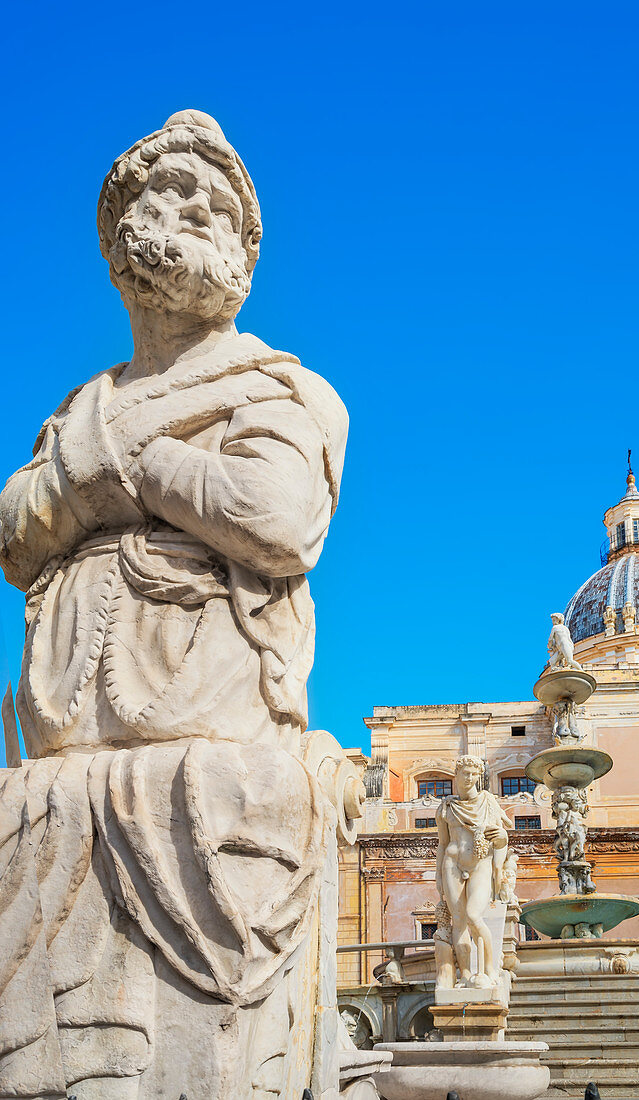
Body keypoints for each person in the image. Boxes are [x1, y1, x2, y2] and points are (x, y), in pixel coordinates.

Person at [0, 110, 348, 1099]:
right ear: (119, 246)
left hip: (211, 765)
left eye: (214, 207)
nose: (188, 212)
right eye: (166, 199)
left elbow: (277, 516)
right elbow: (11, 533)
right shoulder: (76, 407)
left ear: (244, 252)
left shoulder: (282, 388)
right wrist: (105, 473)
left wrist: (120, 468)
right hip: (68, 768)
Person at [436, 755, 512, 988]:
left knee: (473, 915)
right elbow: (442, 842)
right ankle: (466, 975)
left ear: (479, 777)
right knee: (458, 921)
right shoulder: (446, 807)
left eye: (473, 774)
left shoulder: (488, 802)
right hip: (452, 863)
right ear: (456, 776)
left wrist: (502, 840)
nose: (469, 778)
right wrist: (438, 875)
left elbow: (502, 839)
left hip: (480, 864)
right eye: (465, 773)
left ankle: (490, 969)